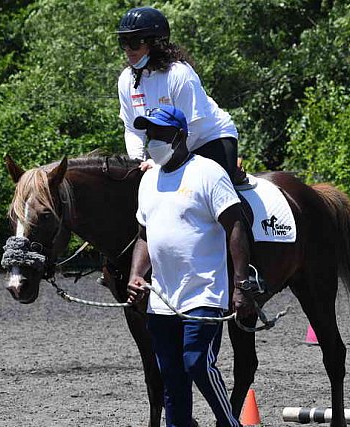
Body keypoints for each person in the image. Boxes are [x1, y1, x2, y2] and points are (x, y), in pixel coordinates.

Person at [126, 106, 254, 427]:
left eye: (160, 133)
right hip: (162, 298)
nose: (153, 139)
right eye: (149, 133)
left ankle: (229, 422)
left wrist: (241, 285)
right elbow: (144, 234)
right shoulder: (149, 179)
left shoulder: (208, 172)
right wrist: (136, 275)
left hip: (204, 294)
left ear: (180, 136)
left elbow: (235, 226)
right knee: (171, 374)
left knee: (197, 362)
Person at [116, 6, 242, 183]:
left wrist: (160, 162)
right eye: (123, 42)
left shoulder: (179, 75)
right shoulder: (126, 81)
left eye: (135, 41)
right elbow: (133, 130)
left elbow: (194, 128)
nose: (128, 49)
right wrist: (138, 163)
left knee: (204, 194)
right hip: (169, 149)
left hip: (209, 140)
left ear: (156, 42)